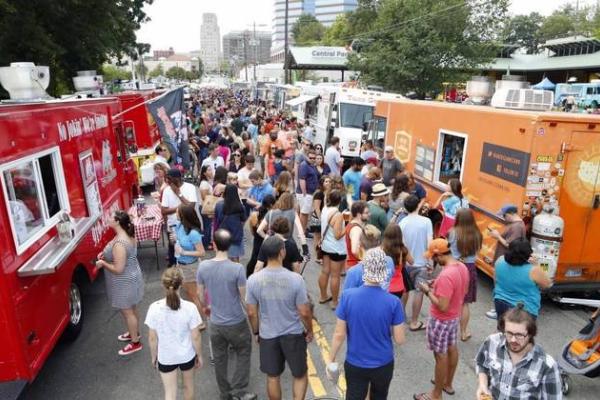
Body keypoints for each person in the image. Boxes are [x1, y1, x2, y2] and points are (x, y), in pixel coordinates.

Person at [328, 248, 406, 400]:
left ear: (364, 268)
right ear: (384, 270)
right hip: (383, 363)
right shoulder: (394, 302)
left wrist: (331, 359)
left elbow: (339, 334)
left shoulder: (347, 297)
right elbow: (400, 339)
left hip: (355, 362)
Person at [246, 236, 313, 400]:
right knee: (300, 374)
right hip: (293, 334)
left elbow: (252, 312)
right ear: (282, 252)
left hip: (268, 335)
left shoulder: (253, 280)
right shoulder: (296, 279)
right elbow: (304, 312)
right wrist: (309, 330)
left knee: (273, 376)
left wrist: (256, 332)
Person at [196, 230, 257, 400]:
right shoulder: (237, 269)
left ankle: (225, 393)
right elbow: (244, 299)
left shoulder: (203, 266)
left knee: (220, 358)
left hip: (215, 322)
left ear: (213, 244)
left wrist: (206, 308)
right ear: (230, 246)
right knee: (243, 352)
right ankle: (240, 391)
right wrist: (254, 321)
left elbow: (200, 295)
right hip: (236, 321)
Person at [413, 239, 468, 400]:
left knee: (440, 356)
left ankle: (436, 395)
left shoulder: (446, 275)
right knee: (452, 348)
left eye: (433, 257)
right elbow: (461, 289)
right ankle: (447, 383)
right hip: (453, 318)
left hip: (441, 320)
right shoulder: (462, 267)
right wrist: (435, 283)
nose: (432, 260)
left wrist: (427, 291)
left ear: (439, 255)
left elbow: (442, 305)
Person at [475, 305, 562, 400]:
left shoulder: (547, 365)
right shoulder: (492, 342)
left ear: (530, 334)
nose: (513, 340)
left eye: (519, 335)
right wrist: (482, 385)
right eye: (509, 333)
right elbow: (481, 364)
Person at [145, 268, 202, 400]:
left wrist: (154, 356)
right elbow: (196, 336)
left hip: (166, 357)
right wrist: (199, 355)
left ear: (163, 284)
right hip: (187, 355)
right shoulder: (190, 308)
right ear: (181, 283)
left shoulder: (154, 308)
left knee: (170, 392)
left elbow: (152, 338)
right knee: (189, 387)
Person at [96, 211, 144, 355]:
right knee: (132, 308)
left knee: (127, 312)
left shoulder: (119, 243)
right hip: (133, 277)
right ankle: (134, 332)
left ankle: (135, 343)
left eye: (111, 217)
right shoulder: (127, 235)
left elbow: (118, 269)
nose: (108, 219)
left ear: (117, 222)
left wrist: (103, 263)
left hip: (125, 281)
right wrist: (106, 255)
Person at [444, 208, 482, 342]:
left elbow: (445, 248)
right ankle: (464, 332)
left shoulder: (452, 233)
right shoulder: (477, 233)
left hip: (453, 267)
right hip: (470, 268)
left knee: (448, 300)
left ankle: (448, 331)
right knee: (464, 303)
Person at [493, 238, 552, 322]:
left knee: (504, 330)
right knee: (520, 333)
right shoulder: (533, 270)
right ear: (528, 253)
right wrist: (536, 265)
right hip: (523, 308)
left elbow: (495, 280)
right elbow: (547, 284)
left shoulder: (500, 260)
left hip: (500, 301)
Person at [486, 204, 527, 320]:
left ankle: (498, 311)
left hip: (506, 261)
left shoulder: (517, 227)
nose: (504, 218)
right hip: (504, 260)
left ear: (510, 214)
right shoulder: (516, 225)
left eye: (504, 216)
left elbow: (510, 245)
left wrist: (497, 236)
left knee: (500, 286)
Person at [400, 194, 433, 332]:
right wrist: (430, 261)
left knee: (404, 291)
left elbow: (401, 245)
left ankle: (400, 319)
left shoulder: (402, 223)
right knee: (419, 293)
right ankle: (414, 322)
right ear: (418, 205)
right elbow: (430, 242)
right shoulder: (426, 222)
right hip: (422, 263)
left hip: (406, 263)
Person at [173, 204, 206, 328]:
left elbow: (201, 252)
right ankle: (196, 318)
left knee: (193, 295)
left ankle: (200, 322)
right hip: (180, 264)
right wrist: (175, 239)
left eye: (177, 211)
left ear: (183, 215)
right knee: (189, 294)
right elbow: (178, 241)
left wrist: (184, 252)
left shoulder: (193, 233)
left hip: (190, 267)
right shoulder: (180, 226)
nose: (175, 213)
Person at [161, 168, 198, 268]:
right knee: (172, 247)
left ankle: (189, 264)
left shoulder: (190, 187)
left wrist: (178, 193)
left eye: (169, 178)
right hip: (173, 225)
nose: (167, 181)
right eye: (166, 178)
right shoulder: (166, 190)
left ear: (177, 178)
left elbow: (191, 207)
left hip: (188, 224)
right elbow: (164, 211)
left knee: (188, 245)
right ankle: (173, 268)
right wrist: (180, 207)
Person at [319, 190, 347, 310]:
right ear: (340, 201)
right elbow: (337, 235)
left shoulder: (325, 209)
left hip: (325, 246)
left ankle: (323, 296)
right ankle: (335, 302)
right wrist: (348, 226)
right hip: (336, 249)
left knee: (325, 271)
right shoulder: (338, 215)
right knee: (335, 276)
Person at [215, 184, 248, 262]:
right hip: (236, 235)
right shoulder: (240, 206)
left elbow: (217, 219)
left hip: (223, 234)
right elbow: (243, 220)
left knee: (223, 257)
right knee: (235, 258)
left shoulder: (219, 205)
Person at [382, 224, 412, 307]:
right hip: (399, 286)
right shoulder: (403, 249)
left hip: (385, 284)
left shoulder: (382, 249)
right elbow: (412, 262)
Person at [247, 194, 276, 277]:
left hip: (257, 239)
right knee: (265, 260)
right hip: (267, 240)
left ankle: (249, 277)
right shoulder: (271, 217)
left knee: (254, 258)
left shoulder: (254, 214)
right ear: (271, 205)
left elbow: (252, 229)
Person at [296, 149, 319, 233]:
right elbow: (302, 179)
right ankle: (302, 232)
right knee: (304, 213)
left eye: (314, 158)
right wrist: (304, 193)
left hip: (310, 193)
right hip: (306, 194)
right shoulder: (304, 165)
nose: (312, 159)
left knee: (305, 213)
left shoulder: (312, 165)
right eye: (311, 158)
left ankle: (304, 230)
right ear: (307, 157)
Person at [310, 175, 332, 263]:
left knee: (324, 238)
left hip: (326, 217)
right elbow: (317, 208)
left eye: (330, 181)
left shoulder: (330, 193)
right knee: (317, 237)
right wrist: (321, 219)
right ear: (322, 183)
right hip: (318, 218)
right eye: (326, 181)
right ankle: (317, 256)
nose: (328, 183)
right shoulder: (319, 193)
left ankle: (322, 255)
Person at [345, 201, 369, 269]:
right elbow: (354, 250)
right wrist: (365, 259)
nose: (369, 214)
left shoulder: (352, 224)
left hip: (352, 264)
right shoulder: (356, 229)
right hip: (356, 265)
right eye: (366, 213)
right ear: (359, 215)